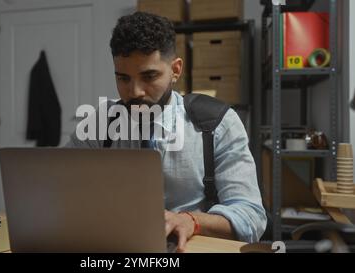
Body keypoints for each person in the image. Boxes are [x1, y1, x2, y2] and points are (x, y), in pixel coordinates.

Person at [65, 11, 266, 252]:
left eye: (149, 76)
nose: (135, 91)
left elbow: (251, 216)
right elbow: (60, 193)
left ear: (176, 70)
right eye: (123, 78)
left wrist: (191, 220)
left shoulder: (218, 124)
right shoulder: (98, 125)